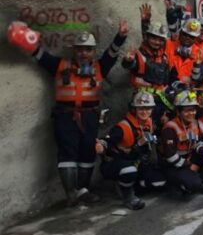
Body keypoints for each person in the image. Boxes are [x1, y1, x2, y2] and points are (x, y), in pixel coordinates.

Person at [12, 21, 128, 206]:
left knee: (87, 152)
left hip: (90, 116)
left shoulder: (99, 67)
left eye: (88, 49)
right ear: (75, 50)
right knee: (67, 152)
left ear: (92, 51)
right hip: (65, 116)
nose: (84, 53)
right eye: (80, 49)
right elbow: (40, 55)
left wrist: (120, 36)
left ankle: (83, 190)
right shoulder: (59, 66)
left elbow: (111, 54)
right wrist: (24, 38)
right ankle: (71, 195)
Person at [97, 91, 165, 210]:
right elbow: (107, 140)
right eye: (140, 109)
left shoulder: (148, 123)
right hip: (116, 162)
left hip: (136, 161)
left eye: (148, 108)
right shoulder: (123, 126)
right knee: (129, 171)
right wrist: (101, 146)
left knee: (159, 181)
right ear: (134, 109)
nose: (144, 112)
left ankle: (132, 186)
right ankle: (127, 196)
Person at [158, 90, 203, 196]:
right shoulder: (170, 128)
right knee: (192, 185)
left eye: (193, 110)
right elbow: (171, 157)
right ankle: (175, 184)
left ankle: (202, 183)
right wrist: (189, 165)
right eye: (187, 111)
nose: (191, 113)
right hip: (172, 165)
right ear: (179, 111)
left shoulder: (194, 123)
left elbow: (197, 142)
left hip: (188, 158)